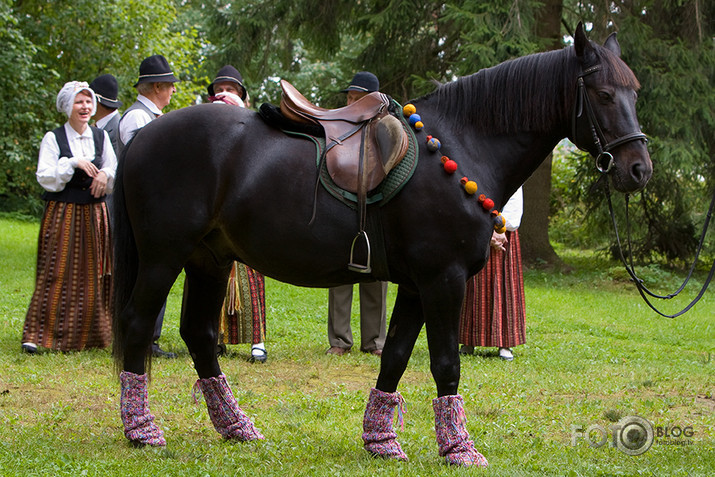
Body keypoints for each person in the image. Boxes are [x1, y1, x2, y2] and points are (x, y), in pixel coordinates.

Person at [21, 81, 117, 353]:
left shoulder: (100, 137)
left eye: (88, 102)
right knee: (56, 271)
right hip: (63, 213)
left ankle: (93, 335)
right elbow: (45, 177)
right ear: (67, 106)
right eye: (79, 102)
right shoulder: (54, 138)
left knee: (96, 273)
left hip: (95, 213)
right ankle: (38, 335)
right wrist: (72, 163)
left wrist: (105, 175)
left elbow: (113, 168)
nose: (85, 107)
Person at [119, 54, 179, 358]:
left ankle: (148, 337)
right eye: (169, 85)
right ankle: (142, 336)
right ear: (156, 86)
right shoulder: (137, 118)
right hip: (145, 205)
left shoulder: (152, 117)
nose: (172, 91)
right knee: (149, 271)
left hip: (156, 204)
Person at [207, 65, 268, 363]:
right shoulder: (204, 128)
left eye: (232, 89)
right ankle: (213, 337)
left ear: (242, 95)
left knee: (252, 275)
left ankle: (257, 340)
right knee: (207, 275)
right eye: (221, 89)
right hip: (212, 217)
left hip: (247, 213)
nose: (226, 93)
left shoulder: (254, 124)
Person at [326, 71, 388, 357]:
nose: (349, 102)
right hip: (344, 203)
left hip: (376, 206)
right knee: (341, 271)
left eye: (355, 98)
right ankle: (339, 340)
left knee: (377, 272)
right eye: (349, 97)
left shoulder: (387, 127)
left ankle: (375, 341)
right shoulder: (338, 128)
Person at [459, 187, 526, 361]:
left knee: (504, 285)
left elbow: (514, 197)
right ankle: (469, 339)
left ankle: (505, 342)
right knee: (474, 286)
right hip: (478, 229)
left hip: (505, 233)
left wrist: (501, 227)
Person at [89, 74, 122, 154]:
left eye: (88, 100)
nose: (85, 105)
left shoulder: (117, 130)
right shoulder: (96, 126)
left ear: (97, 102)